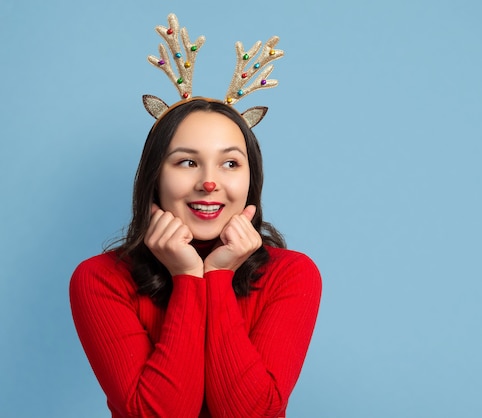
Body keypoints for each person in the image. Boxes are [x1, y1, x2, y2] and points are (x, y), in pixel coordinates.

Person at [69, 96, 322, 417]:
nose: (208, 182)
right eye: (187, 162)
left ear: (251, 178)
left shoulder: (291, 274)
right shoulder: (101, 279)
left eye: (230, 163)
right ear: (155, 176)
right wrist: (187, 277)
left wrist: (217, 276)